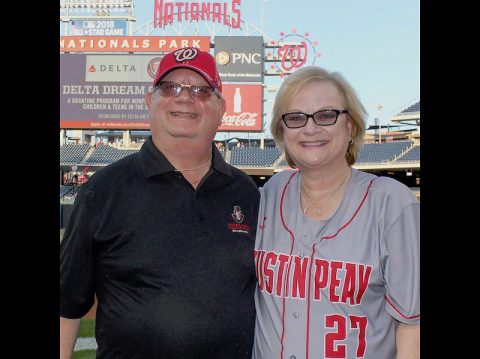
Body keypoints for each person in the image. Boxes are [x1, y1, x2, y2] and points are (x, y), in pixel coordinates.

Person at [60, 47, 260, 358]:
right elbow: (66, 305)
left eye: (201, 90)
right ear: (149, 101)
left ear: (221, 108)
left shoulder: (246, 193)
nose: (184, 97)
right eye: (170, 88)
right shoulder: (103, 191)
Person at [252, 66, 419, 359]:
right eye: (295, 117)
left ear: (351, 126)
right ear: (282, 131)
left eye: (326, 115)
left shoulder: (392, 203)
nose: (310, 128)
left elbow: (413, 325)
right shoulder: (269, 194)